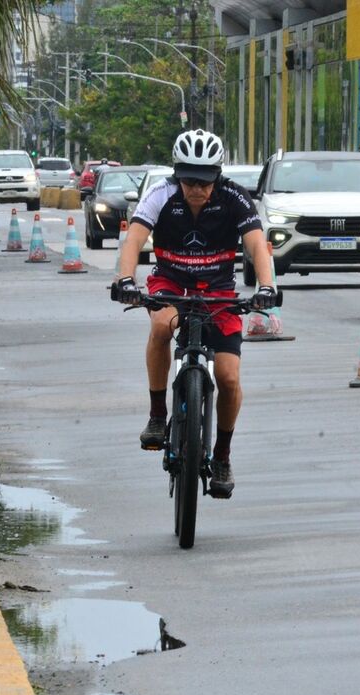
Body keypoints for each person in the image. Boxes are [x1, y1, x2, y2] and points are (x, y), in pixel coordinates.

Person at [109, 129, 276, 499]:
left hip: (218, 292)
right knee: (160, 325)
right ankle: (156, 415)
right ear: (177, 174)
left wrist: (266, 286)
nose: (195, 189)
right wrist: (124, 278)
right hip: (171, 282)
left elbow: (256, 244)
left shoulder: (235, 197)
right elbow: (134, 239)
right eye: (188, 180)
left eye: (203, 181)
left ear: (217, 176)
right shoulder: (160, 195)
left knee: (230, 378)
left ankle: (222, 456)